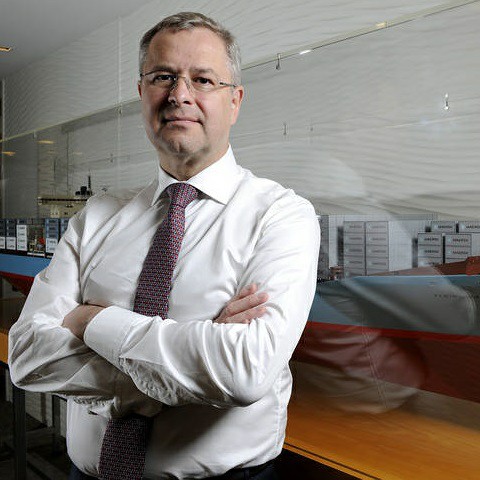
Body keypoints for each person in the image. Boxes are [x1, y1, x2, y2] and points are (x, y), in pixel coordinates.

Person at [8, 11, 320, 480]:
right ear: (142, 93)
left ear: (234, 101)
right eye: (162, 77)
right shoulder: (97, 216)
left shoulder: (281, 215)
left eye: (203, 79)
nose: (179, 95)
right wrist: (171, 374)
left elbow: (243, 371)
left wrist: (91, 321)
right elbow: (28, 355)